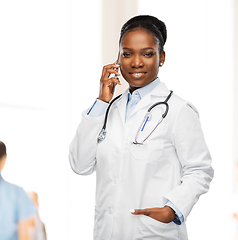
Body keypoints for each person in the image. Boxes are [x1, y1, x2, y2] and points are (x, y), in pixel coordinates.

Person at [69, 15, 214, 240]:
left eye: (147, 54)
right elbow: (80, 164)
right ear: (118, 58)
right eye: (127, 54)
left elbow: (200, 169)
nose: (136, 62)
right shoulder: (107, 109)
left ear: (161, 57)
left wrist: (173, 209)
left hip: (153, 233)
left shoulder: (178, 110)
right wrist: (101, 102)